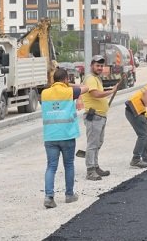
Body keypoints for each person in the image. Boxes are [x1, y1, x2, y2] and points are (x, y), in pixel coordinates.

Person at [41, 67, 89, 208]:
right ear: (66, 79)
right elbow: (85, 87)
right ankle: (69, 195)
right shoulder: (69, 91)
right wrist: (69, 85)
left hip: (50, 136)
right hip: (67, 136)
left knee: (51, 166)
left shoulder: (44, 93)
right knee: (68, 165)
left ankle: (49, 197)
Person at [80, 54, 119, 181]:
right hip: (94, 116)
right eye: (97, 65)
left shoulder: (96, 79)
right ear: (92, 65)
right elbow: (95, 94)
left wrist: (109, 90)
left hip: (100, 116)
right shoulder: (91, 79)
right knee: (93, 144)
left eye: (101, 66)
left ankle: (95, 166)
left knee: (98, 142)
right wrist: (111, 91)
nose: (100, 68)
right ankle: (90, 170)